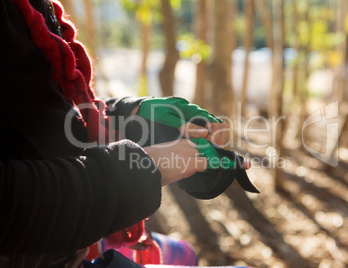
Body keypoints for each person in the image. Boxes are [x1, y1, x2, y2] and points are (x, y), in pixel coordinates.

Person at [0, 0, 247, 267]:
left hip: (71, 243)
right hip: (45, 252)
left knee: (185, 253)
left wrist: (130, 115)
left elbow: (41, 116)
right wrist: (142, 169)